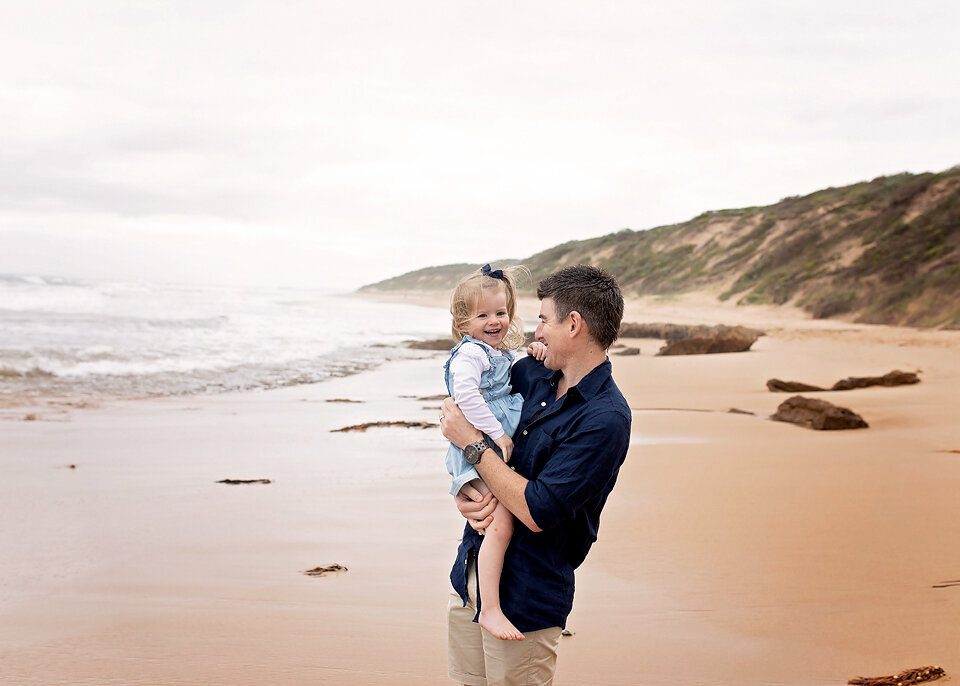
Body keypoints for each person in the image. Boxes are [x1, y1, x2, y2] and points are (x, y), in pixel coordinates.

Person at [440, 264, 631, 686]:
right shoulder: (532, 374)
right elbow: (468, 397)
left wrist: (472, 443)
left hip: (526, 598)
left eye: (544, 319)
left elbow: (536, 509)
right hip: (471, 574)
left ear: (574, 324)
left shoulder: (605, 419)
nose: (536, 331)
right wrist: (465, 491)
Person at [443, 263, 546, 642]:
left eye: (500, 313)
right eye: (482, 314)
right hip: (480, 442)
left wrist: (533, 350)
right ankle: (490, 609)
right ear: (462, 320)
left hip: (485, 440)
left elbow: (507, 377)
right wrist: (497, 433)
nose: (494, 321)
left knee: (493, 520)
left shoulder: (496, 352)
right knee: (499, 524)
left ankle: (486, 602)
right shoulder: (470, 354)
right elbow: (467, 395)